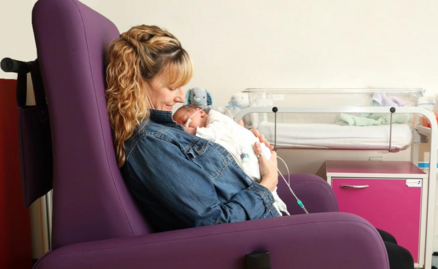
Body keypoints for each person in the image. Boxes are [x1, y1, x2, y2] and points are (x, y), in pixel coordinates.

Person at [105, 24, 414, 269]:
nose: (179, 96)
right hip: (249, 245)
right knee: (392, 257)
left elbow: (212, 179)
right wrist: (267, 182)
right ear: (136, 83)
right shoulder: (149, 146)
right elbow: (214, 223)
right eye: (172, 87)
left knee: (383, 239)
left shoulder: (169, 129)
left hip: (261, 226)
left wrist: (247, 149)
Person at [173, 104, 289, 216]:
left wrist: (184, 131)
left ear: (201, 112)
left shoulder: (217, 119)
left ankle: (273, 203)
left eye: (184, 121)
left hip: (257, 156)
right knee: (261, 187)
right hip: (254, 174)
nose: (185, 127)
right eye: (180, 126)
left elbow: (211, 134)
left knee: (261, 183)